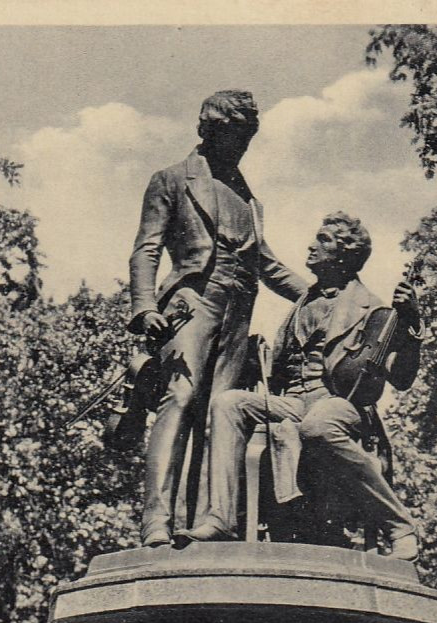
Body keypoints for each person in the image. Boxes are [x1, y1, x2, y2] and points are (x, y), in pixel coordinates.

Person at [176, 212, 423, 559]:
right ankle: (221, 518)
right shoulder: (304, 301)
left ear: (345, 254)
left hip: (338, 401)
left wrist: (412, 322)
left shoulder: (373, 309)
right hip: (291, 399)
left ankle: (400, 527)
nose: (311, 245)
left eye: (323, 240)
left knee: (318, 425)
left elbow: (402, 378)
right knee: (228, 402)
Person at [129, 89, 307, 548]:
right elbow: (148, 246)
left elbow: (266, 264)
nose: (243, 146)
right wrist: (145, 306)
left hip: (237, 311)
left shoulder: (248, 200)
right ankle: (156, 520)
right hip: (192, 303)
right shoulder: (171, 179)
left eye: (248, 138)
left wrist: (322, 292)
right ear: (211, 130)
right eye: (236, 136)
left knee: (220, 414)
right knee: (181, 397)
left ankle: (209, 519)